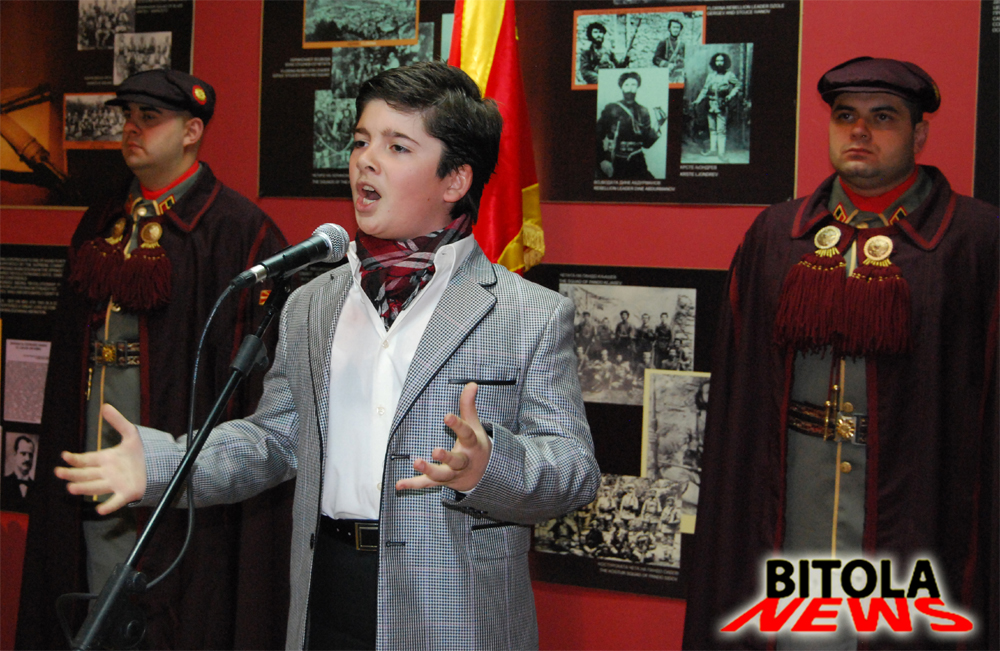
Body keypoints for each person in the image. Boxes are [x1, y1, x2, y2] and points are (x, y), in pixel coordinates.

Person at [56, 61, 600, 650]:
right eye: (361, 141)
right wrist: (164, 465)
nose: (366, 160)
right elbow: (273, 439)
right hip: (326, 590)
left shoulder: (528, 314)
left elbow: (574, 471)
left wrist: (488, 464)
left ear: (455, 181)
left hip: (453, 607)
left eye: (397, 146)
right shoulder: (312, 302)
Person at [682, 57, 998, 650]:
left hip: (919, 506)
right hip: (791, 500)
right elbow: (739, 403)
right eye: (845, 116)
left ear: (919, 134)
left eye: (883, 117)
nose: (859, 131)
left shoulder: (975, 240)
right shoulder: (777, 235)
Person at [17, 69, 291, 651]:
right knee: (89, 582)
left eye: (150, 118)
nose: (132, 128)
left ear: (192, 131)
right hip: (93, 435)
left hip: (177, 465)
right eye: (128, 116)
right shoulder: (100, 219)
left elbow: (259, 391)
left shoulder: (239, 232)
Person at [596, 72, 667, 180]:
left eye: (634, 85)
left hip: (637, 160)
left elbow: (646, 144)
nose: (630, 88)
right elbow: (596, 135)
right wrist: (602, 160)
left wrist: (658, 125)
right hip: (616, 159)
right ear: (621, 87)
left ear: (638, 87)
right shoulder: (612, 108)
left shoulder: (643, 111)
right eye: (627, 84)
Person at [692, 52, 741, 162]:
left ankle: (721, 153)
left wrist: (730, 95)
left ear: (725, 62)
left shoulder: (729, 75)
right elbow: (705, 89)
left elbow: (738, 85)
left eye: (721, 61)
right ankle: (713, 150)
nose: (719, 63)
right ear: (714, 62)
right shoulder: (710, 76)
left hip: (722, 105)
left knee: (721, 130)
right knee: (712, 128)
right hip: (710, 105)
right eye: (717, 61)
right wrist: (698, 100)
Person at [1, 435, 36, 512]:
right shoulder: (3, 483)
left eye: (30, 455)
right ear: (15, 455)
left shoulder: (37, 487)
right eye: (23, 453)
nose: (27, 459)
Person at [652, 18, 685, 83]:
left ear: (680, 30)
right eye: (674, 27)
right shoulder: (663, 42)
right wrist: (667, 64)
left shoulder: (682, 44)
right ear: (669, 29)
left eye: (678, 28)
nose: (676, 30)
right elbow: (656, 59)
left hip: (678, 75)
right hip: (666, 73)